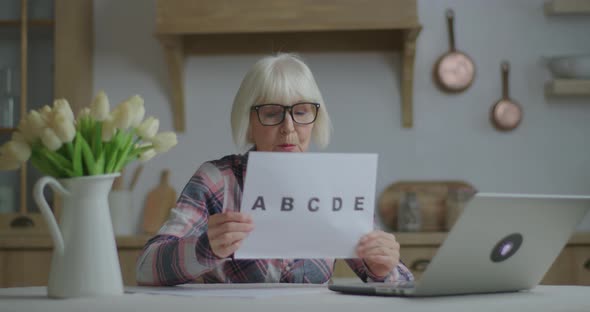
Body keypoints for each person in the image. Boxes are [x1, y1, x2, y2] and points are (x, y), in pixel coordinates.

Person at [136, 53, 414, 285]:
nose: (288, 128)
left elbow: (401, 285)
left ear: (316, 119)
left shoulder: (334, 182)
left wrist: (384, 269)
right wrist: (203, 248)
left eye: (302, 112)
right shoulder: (217, 179)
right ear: (249, 121)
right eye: (271, 113)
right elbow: (146, 268)